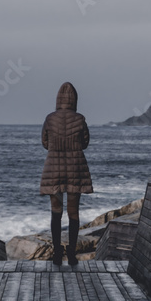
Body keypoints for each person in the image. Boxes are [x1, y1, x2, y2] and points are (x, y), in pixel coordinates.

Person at [39, 82, 93, 266]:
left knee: (56, 211)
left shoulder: (49, 118)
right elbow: (85, 142)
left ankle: (56, 253)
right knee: (73, 213)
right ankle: (71, 254)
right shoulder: (80, 119)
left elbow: (45, 142)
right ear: (74, 100)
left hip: (53, 168)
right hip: (75, 168)